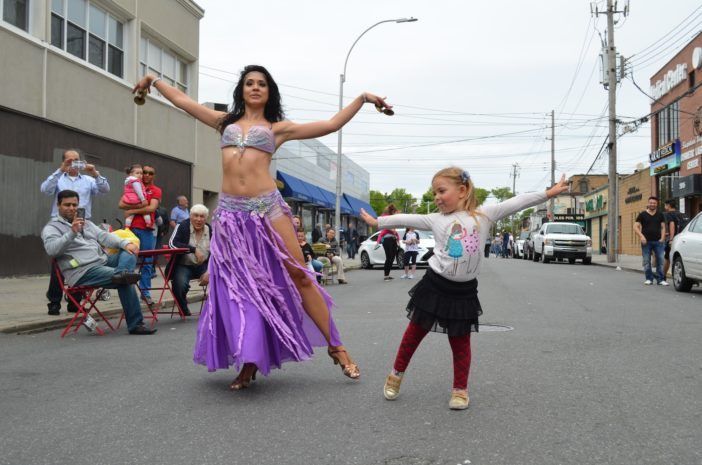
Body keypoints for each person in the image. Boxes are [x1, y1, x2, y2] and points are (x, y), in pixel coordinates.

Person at [132, 65, 390, 387]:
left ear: (269, 92)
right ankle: (250, 360)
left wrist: (363, 98)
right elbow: (183, 101)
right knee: (241, 288)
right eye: (249, 83)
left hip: (268, 209)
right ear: (242, 89)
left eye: (262, 84)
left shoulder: (277, 129)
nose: (255, 88)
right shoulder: (223, 122)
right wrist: (154, 81)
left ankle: (337, 347)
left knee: (299, 274)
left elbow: (330, 124)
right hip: (230, 215)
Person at [359, 167, 568, 410]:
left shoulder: (485, 214)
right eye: (434, 192)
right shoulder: (435, 219)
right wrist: (378, 222)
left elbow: (517, 202)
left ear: (462, 190)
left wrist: (548, 193)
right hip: (435, 285)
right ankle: (395, 374)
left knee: (460, 341)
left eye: (441, 191)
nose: (436, 197)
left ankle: (460, 389)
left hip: (463, 291)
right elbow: (406, 218)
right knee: (414, 333)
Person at [41, 190, 156, 335]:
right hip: (83, 270)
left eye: (74, 205)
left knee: (129, 250)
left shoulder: (86, 223)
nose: (71, 208)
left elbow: (104, 236)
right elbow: (52, 250)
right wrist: (71, 233)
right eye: (67, 205)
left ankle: (122, 274)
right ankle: (136, 324)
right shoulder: (51, 228)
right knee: (125, 281)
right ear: (58, 205)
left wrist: (125, 243)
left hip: (102, 261)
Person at [40, 149, 110, 315]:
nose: (74, 163)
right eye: (70, 160)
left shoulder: (87, 180)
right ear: (64, 162)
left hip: (82, 223)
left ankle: (75, 302)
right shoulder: (58, 179)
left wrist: (95, 173)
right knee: (59, 264)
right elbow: (45, 189)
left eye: (77, 160)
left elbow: (105, 189)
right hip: (61, 224)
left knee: (82, 261)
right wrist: (60, 170)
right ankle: (54, 302)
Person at [119, 163, 162, 308]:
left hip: (146, 229)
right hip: (130, 229)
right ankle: (129, 293)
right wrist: (137, 209)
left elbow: (152, 208)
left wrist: (132, 210)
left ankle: (145, 293)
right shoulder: (133, 184)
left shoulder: (156, 190)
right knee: (128, 260)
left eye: (150, 173)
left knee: (147, 261)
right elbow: (121, 204)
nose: (147, 175)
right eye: (145, 172)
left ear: (154, 175)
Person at [167, 204, 212, 317]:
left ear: (206, 218)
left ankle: (213, 310)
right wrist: (193, 249)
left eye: (202, 216)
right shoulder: (182, 226)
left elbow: (216, 251)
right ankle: (183, 306)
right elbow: (172, 244)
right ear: (190, 216)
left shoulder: (209, 228)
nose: (198, 219)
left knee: (220, 279)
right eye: (196, 216)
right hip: (184, 264)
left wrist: (210, 270)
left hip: (203, 265)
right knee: (180, 285)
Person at [634, 196, 667, 286]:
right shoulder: (642, 214)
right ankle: (649, 279)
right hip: (646, 242)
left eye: (654, 203)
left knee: (660, 260)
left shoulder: (660, 215)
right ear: (648, 203)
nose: (652, 204)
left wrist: (662, 238)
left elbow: (663, 227)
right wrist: (641, 236)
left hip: (658, 242)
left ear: (657, 204)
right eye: (651, 203)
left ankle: (660, 280)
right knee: (646, 260)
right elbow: (635, 226)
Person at [121, 164, 151, 228]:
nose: (140, 175)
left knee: (131, 214)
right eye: (137, 173)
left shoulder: (128, 181)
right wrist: (143, 199)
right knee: (145, 211)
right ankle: (148, 223)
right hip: (136, 199)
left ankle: (127, 226)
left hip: (129, 199)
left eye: (141, 173)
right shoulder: (135, 181)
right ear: (131, 174)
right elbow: (139, 191)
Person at [378, 204, 401, 281]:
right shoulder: (385, 217)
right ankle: (386, 275)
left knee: (392, 257)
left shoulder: (392, 218)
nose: (394, 212)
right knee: (389, 257)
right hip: (387, 239)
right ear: (391, 211)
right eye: (394, 211)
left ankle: (388, 274)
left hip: (393, 239)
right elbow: (384, 226)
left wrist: (397, 239)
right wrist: (391, 230)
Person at [663, 200, 682, 280]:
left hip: (674, 239)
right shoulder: (682, 214)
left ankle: (663, 276)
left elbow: (672, 225)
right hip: (682, 239)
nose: (665, 207)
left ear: (668, 206)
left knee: (667, 258)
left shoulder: (669, 214)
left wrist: (671, 239)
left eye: (665, 205)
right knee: (679, 258)